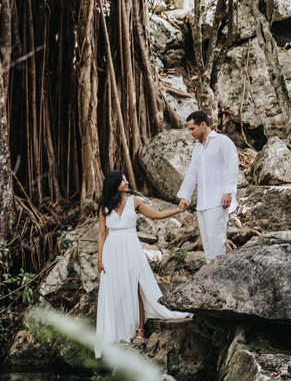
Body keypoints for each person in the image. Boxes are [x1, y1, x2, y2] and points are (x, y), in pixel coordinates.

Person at [95, 171, 191, 358]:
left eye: (126, 178)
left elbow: (156, 215)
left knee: (136, 285)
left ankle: (140, 330)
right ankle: (117, 331)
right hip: (112, 250)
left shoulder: (134, 202)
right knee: (115, 289)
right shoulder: (104, 206)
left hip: (131, 247)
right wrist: (100, 259)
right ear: (114, 183)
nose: (127, 181)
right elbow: (101, 234)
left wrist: (177, 210)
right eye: (122, 180)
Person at [176, 111, 238, 261]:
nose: (190, 132)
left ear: (203, 125)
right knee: (207, 242)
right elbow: (192, 173)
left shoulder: (223, 142)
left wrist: (229, 192)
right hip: (203, 202)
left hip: (218, 200)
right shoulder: (197, 149)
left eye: (192, 129)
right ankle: (210, 277)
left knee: (216, 240)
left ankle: (219, 277)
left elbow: (232, 167)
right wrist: (185, 196)